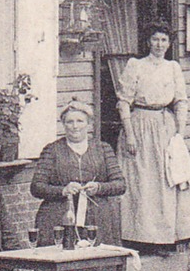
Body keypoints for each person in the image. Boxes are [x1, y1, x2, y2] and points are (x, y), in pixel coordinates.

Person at [115, 25, 190, 247]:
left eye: (164, 40)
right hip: (140, 125)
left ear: (169, 44)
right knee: (142, 182)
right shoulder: (136, 66)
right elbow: (123, 102)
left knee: (165, 182)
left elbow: (181, 101)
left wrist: (180, 132)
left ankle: (164, 238)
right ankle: (139, 238)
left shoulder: (173, 68)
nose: (159, 44)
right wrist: (130, 135)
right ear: (148, 42)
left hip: (165, 127)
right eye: (155, 39)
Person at [31, 99, 126, 247]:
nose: (75, 126)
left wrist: (99, 187)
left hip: (98, 219)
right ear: (63, 124)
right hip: (60, 217)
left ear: (88, 123)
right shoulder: (52, 150)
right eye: (70, 122)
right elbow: (36, 187)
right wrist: (63, 190)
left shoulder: (103, 149)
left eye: (80, 121)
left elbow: (120, 184)